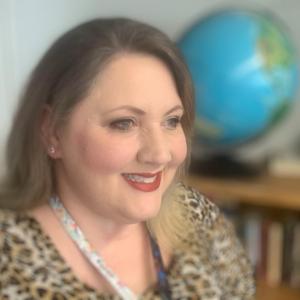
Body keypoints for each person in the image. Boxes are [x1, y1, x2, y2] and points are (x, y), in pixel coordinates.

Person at [0, 18, 255, 299]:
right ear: (52, 131)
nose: (160, 154)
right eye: (124, 123)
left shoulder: (198, 215)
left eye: (171, 121)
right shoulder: (9, 259)